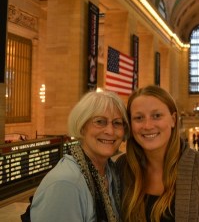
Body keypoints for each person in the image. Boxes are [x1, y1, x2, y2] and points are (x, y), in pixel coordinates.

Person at [118, 85, 199, 221]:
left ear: (173, 119)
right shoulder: (122, 167)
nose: (148, 125)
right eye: (139, 118)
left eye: (157, 116)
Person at [31, 91, 129, 222]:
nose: (110, 131)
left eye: (117, 123)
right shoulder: (65, 184)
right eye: (100, 121)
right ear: (82, 127)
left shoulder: (111, 173)